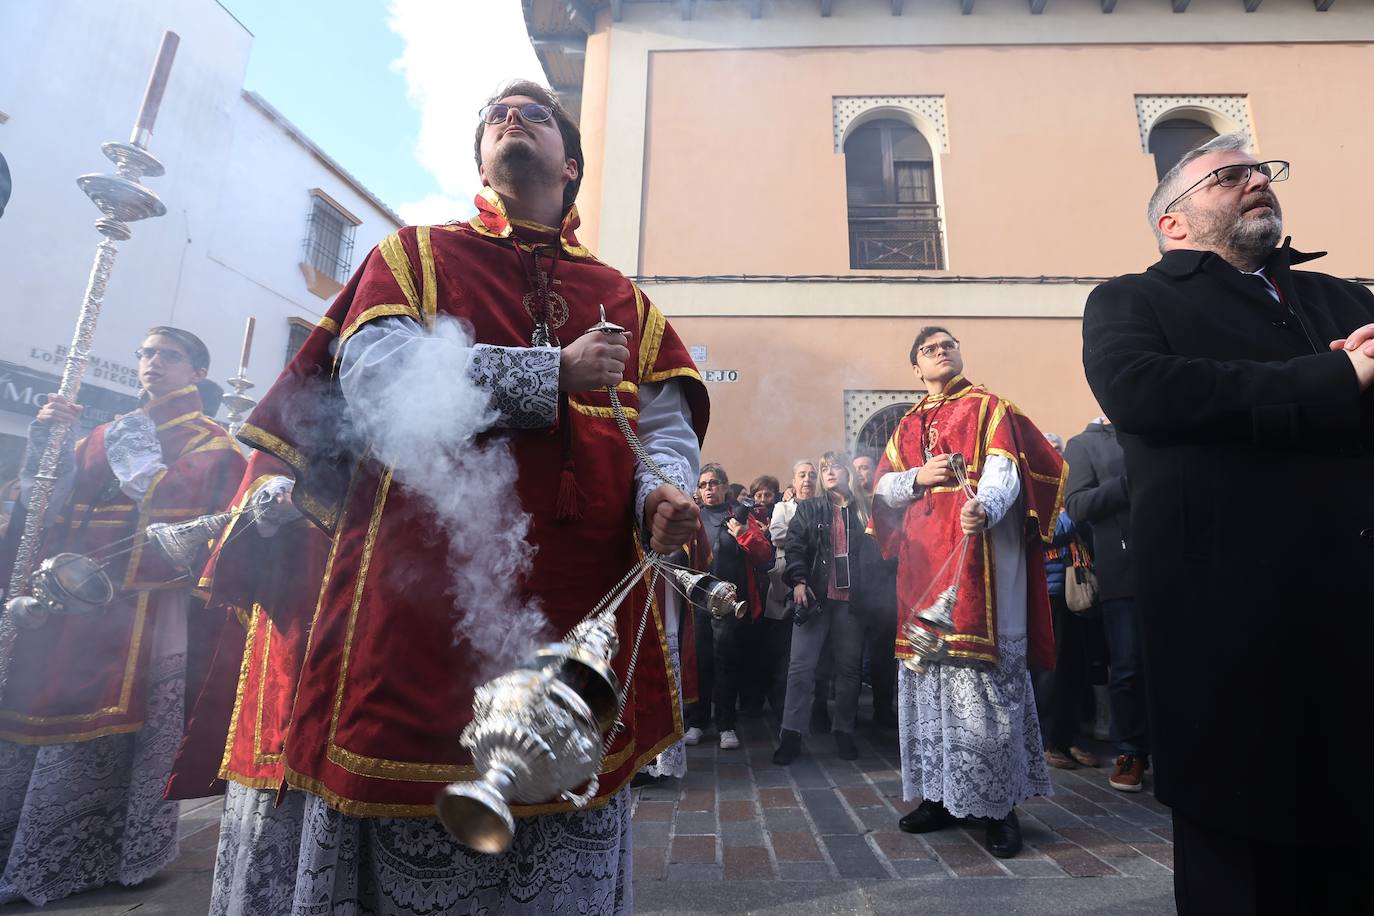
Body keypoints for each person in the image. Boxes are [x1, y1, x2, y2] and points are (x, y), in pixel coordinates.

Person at [206, 80, 708, 915]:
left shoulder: (623, 297)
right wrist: (550, 373)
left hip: (583, 600)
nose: (512, 119)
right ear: (480, 159)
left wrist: (664, 494)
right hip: (420, 594)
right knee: (418, 792)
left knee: (563, 784)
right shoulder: (415, 256)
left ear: (571, 164)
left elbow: (661, 430)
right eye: (495, 117)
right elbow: (376, 382)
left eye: (536, 115)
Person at [1083, 132, 1374, 914]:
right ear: (1172, 223)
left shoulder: (1348, 300)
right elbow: (1145, 392)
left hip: (1354, 620)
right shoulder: (1132, 300)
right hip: (1230, 626)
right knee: (1241, 852)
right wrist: (1333, 377)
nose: (1257, 182)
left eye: (1262, 172)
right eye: (1229, 177)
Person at [0, 327, 244, 905]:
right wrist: (47, 441)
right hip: (71, 598)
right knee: (38, 702)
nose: (152, 364)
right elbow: (51, 504)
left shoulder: (215, 445)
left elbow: (202, 527)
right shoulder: (107, 432)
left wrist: (144, 473)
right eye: (146, 354)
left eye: (169, 356)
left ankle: (113, 849)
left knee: (116, 718)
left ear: (198, 373)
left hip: (141, 610)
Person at [871, 327, 1064, 859]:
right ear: (915, 368)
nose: (941, 351)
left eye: (948, 344)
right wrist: (918, 476)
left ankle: (1000, 808)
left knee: (986, 696)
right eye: (929, 349)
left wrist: (989, 506)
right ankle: (938, 796)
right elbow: (882, 488)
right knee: (928, 688)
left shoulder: (989, 407)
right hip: (922, 570)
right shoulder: (906, 423)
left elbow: (1005, 469)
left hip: (980, 564)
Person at [774, 451, 880, 764]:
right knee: (801, 668)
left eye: (834, 466)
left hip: (852, 603)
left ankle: (843, 731)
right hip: (815, 598)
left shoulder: (864, 510)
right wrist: (799, 581)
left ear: (846, 470)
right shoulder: (809, 508)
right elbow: (795, 548)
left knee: (848, 671)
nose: (829, 472)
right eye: (824, 468)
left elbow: (878, 554)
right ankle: (791, 734)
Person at [1064, 417, 1146, 790]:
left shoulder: (1155, 430)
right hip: (1124, 570)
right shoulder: (1084, 444)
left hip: (1175, 565)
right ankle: (1130, 751)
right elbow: (1077, 505)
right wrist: (1129, 484)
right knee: (1127, 668)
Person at [684, 464, 770, 750]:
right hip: (698, 601)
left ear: (725, 486)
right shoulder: (693, 518)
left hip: (732, 604)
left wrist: (743, 533)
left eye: (714, 483)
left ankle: (726, 725)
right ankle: (697, 722)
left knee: (727, 664)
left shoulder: (739, 516)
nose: (708, 488)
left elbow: (764, 555)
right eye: (704, 484)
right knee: (701, 662)